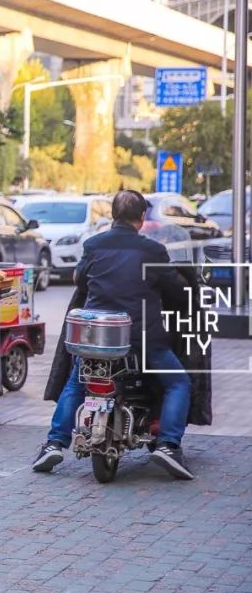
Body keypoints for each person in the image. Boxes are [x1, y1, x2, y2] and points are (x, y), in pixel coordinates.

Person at [33, 189, 193, 479]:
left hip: (97, 336)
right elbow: (177, 291)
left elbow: (80, 280)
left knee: (75, 384)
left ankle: (53, 443)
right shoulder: (153, 251)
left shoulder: (94, 245)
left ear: (112, 215)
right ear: (142, 217)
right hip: (143, 338)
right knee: (178, 383)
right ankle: (169, 445)